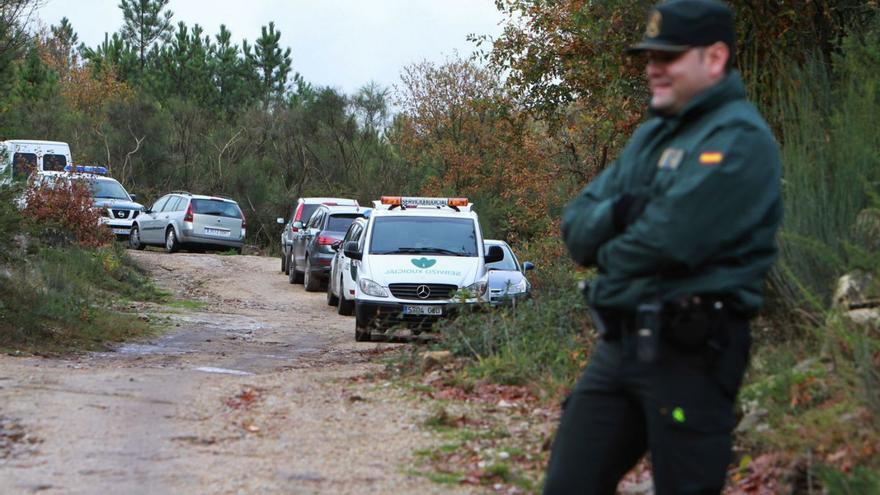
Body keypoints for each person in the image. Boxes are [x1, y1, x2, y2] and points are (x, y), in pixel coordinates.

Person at [544, 0, 783, 493]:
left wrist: (609, 251)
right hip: (619, 347)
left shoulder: (740, 139)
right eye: (650, 56)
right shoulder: (652, 134)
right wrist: (621, 212)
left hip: (692, 357)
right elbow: (576, 225)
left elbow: (668, 240)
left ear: (714, 58)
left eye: (668, 56)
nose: (654, 68)